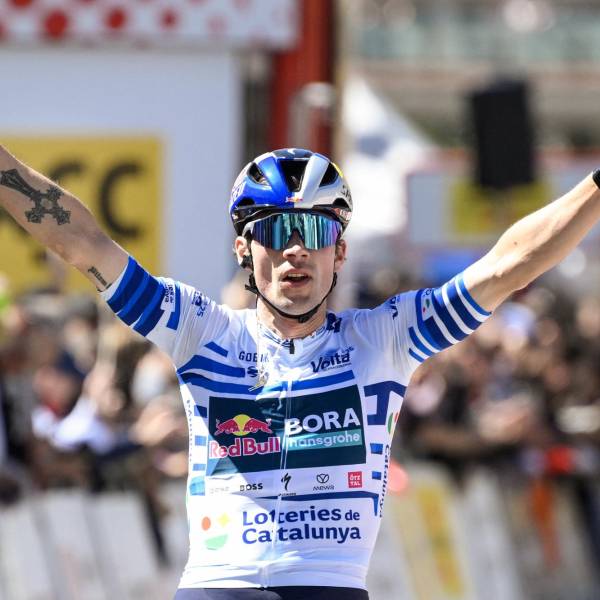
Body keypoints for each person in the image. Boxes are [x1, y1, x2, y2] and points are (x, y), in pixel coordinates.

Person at [1, 144, 600, 599]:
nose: (295, 248)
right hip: (216, 585)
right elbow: (83, 242)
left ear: (340, 251)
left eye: (315, 230)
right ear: (243, 248)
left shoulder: (385, 338)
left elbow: (508, 266)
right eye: (273, 230)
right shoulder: (201, 331)